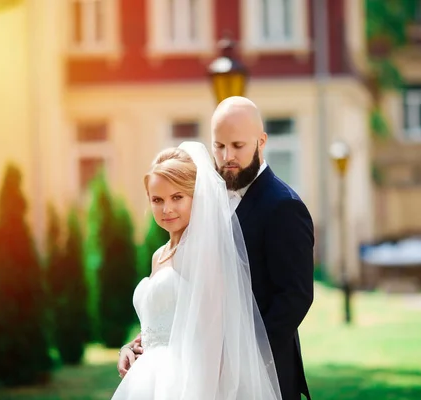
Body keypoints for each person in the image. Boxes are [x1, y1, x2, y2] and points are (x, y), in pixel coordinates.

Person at [118, 96, 314, 400]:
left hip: (262, 369)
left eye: (237, 146)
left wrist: (241, 362)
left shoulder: (282, 205)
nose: (227, 157)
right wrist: (140, 345)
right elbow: (181, 308)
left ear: (261, 141)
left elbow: (294, 297)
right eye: (219, 146)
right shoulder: (209, 195)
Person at [111, 142, 282, 399]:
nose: (166, 209)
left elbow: (214, 337)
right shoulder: (159, 255)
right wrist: (130, 347)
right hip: (146, 379)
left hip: (184, 380)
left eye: (177, 197)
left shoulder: (204, 254)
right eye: (157, 200)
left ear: (197, 196)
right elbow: (163, 322)